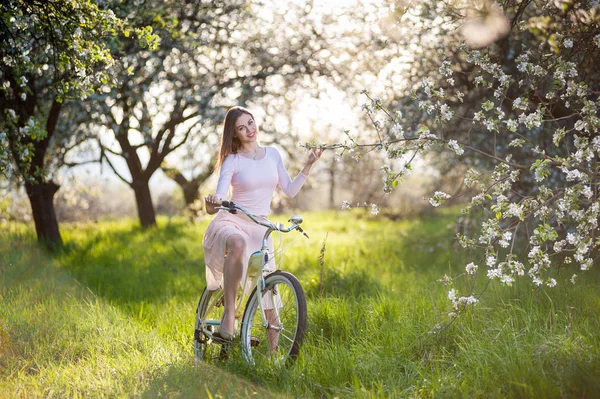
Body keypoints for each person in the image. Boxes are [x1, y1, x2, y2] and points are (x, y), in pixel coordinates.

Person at [203, 106, 323, 341]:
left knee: (269, 295)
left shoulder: (272, 154)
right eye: (241, 127)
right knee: (237, 243)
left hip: (260, 227)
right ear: (234, 134)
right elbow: (219, 197)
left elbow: (289, 190)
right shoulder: (232, 161)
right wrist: (212, 203)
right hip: (233, 221)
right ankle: (229, 315)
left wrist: (308, 165)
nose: (249, 130)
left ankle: (274, 360)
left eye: (251, 122)